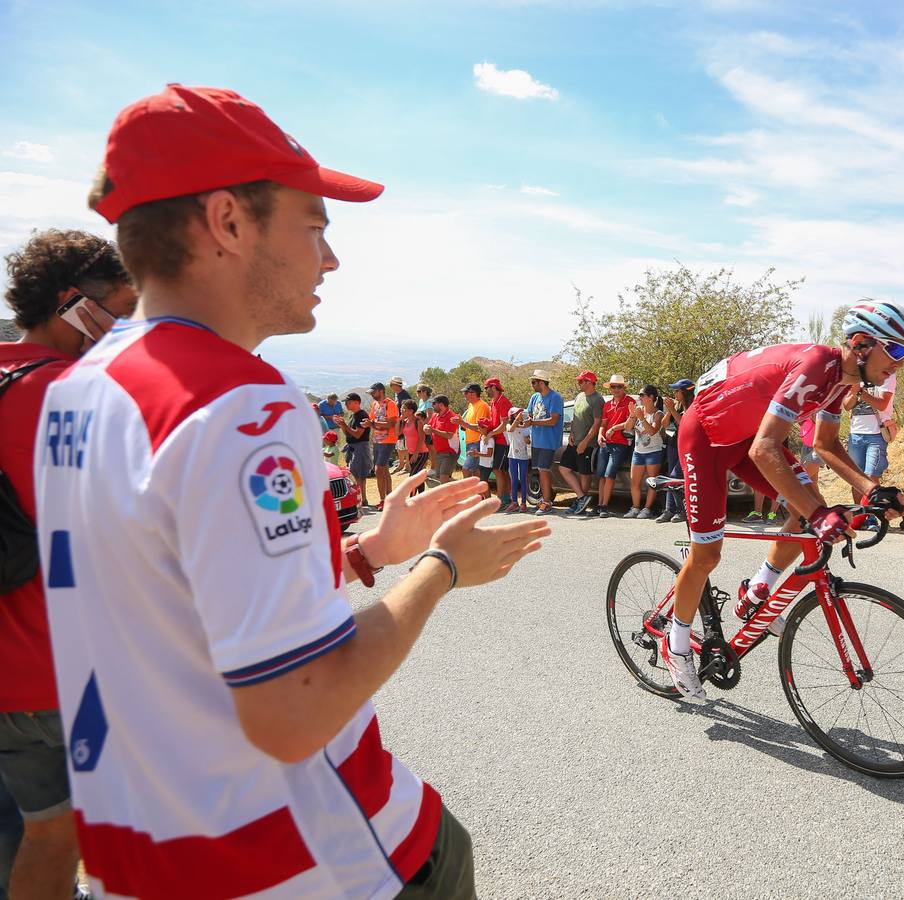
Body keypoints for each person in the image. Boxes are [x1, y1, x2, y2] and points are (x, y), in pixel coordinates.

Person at [36, 83, 550, 897]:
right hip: (303, 859)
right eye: (314, 226)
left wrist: (366, 552)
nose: (332, 258)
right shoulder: (240, 402)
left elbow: (168, 594)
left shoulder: (77, 388)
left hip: (145, 852)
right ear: (229, 222)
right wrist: (442, 567)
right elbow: (295, 712)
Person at [660, 299, 904, 702]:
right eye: (897, 351)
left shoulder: (842, 380)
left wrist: (871, 489)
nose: (900, 363)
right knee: (707, 555)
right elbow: (767, 449)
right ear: (862, 343)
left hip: (748, 439)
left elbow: (826, 444)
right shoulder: (817, 364)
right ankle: (675, 646)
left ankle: (755, 594)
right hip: (706, 439)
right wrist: (819, 513)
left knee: (804, 511)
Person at [1, 230, 135, 900]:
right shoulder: (72, 397)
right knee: (96, 844)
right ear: (70, 302)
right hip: (56, 679)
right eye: (118, 311)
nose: (124, 330)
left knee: (27, 846)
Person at [843, 372, 895, 501]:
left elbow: (882, 404)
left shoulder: (887, 374)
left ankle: (873, 513)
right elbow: (847, 405)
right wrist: (855, 391)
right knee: (856, 478)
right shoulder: (855, 375)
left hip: (877, 433)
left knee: (871, 476)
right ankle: (860, 517)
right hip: (856, 434)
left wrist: (860, 392)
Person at [560, 371, 604, 516]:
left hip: (588, 444)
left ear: (589, 382)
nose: (578, 384)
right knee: (564, 468)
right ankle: (581, 497)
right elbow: (575, 416)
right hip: (574, 441)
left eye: (581, 381)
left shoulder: (597, 399)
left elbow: (597, 423)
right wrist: (572, 432)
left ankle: (581, 502)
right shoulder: (579, 396)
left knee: (584, 474)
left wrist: (585, 442)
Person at [520, 370, 563, 516]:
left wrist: (533, 422)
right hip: (536, 440)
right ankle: (544, 500)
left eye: (534, 382)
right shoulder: (534, 397)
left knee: (544, 470)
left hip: (548, 441)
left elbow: (553, 420)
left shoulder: (555, 398)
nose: (532, 385)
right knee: (539, 470)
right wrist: (527, 428)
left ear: (542, 382)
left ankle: (547, 502)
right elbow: (530, 415)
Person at [624, 385, 669, 519]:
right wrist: (633, 415)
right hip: (638, 451)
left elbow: (652, 431)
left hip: (654, 451)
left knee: (652, 482)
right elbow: (627, 428)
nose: (640, 398)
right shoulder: (638, 410)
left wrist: (642, 418)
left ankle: (647, 509)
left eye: (642, 395)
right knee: (634, 482)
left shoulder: (658, 413)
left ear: (651, 398)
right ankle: (635, 507)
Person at [595, 375, 636, 518]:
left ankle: (605, 506)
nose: (616, 389)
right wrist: (600, 434)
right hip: (605, 443)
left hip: (620, 443)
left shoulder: (630, 402)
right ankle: (600, 505)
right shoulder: (607, 404)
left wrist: (614, 429)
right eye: (613, 386)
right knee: (601, 475)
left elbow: (630, 424)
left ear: (624, 388)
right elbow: (603, 424)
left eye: (619, 386)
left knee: (609, 474)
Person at [656, 380, 695, 523]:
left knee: (675, 476)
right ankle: (669, 510)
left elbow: (685, 424)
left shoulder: (694, 406)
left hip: (688, 446)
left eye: (677, 391)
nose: (674, 394)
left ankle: (682, 510)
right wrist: (669, 411)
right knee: (670, 478)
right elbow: (665, 425)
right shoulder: (677, 406)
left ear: (685, 392)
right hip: (674, 443)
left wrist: (672, 410)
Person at [368, 381, 400, 510]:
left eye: (373, 392)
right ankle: (388, 498)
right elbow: (372, 420)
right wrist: (370, 423)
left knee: (379, 469)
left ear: (380, 391)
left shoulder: (390, 404)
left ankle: (384, 500)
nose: (371, 395)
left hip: (388, 440)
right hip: (377, 440)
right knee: (384, 469)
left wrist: (374, 424)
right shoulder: (375, 404)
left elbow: (391, 424)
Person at [338, 391, 374, 507]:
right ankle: (361, 498)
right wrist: (342, 425)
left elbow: (358, 434)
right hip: (353, 447)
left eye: (348, 402)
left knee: (359, 474)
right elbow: (348, 433)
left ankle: (362, 499)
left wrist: (345, 425)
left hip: (360, 447)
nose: (346, 405)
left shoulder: (362, 415)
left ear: (356, 403)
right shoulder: (353, 415)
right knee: (355, 473)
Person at [482, 378, 513, 507]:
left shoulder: (503, 401)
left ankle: (501, 500)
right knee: (502, 471)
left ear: (493, 387)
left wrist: (490, 433)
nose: (486, 391)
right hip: (497, 440)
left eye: (486, 388)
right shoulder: (493, 402)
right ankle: (505, 497)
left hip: (504, 441)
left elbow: (504, 424)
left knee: (498, 469)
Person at [426, 394, 461, 484]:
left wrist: (433, 430)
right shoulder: (435, 416)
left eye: (434, 403)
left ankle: (449, 497)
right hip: (439, 452)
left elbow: (449, 435)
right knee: (441, 477)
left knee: (443, 478)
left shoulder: (451, 417)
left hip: (450, 452)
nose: (432, 406)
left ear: (441, 405)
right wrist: (425, 428)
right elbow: (427, 425)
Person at [459, 383, 490, 482]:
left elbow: (480, 427)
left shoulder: (482, 406)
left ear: (472, 393)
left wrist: (463, 423)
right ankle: (479, 495)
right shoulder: (471, 405)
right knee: (475, 471)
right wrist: (462, 423)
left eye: (466, 392)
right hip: (470, 442)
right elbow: (469, 424)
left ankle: (469, 493)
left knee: (466, 469)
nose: (464, 395)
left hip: (477, 442)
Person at [504, 406, 531, 513]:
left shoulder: (525, 427)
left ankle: (524, 503)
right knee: (514, 480)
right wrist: (517, 420)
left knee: (523, 479)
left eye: (520, 413)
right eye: (516, 414)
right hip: (512, 456)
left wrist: (527, 440)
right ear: (512, 415)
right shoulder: (509, 425)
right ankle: (514, 502)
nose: (519, 415)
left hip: (523, 456)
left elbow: (528, 441)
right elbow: (511, 429)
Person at [401, 399, 430, 490]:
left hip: (421, 453)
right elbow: (397, 433)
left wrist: (416, 453)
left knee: (412, 478)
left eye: (404, 408)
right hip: (411, 452)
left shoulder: (418, 422)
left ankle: (411, 500)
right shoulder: (405, 421)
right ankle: (422, 499)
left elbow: (422, 438)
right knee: (418, 477)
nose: (402, 410)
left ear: (411, 411)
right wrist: (400, 419)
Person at [389, 377, 411, 474]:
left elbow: (408, 408)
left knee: (405, 443)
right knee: (399, 443)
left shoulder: (404, 395)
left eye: (392, 385)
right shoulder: (397, 395)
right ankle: (401, 463)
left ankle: (407, 465)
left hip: (403, 421)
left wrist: (402, 419)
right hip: (399, 421)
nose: (391, 387)